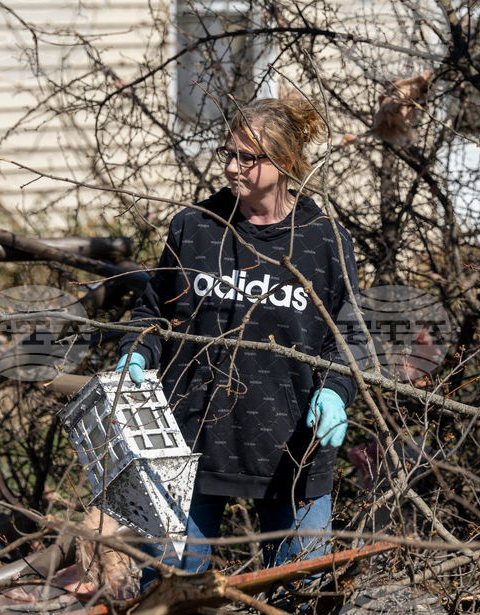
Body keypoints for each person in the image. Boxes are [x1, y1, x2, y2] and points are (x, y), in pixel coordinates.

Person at [116, 98, 362, 587]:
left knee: (302, 597)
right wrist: (136, 355)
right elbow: (152, 313)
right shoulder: (196, 229)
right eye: (228, 153)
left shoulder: (324, 241)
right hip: (190, 441)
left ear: (285, 163)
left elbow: (350, 335)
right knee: (168, 596)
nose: (232, 167)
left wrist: (337, 391)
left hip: (295, 446)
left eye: (247, 158)